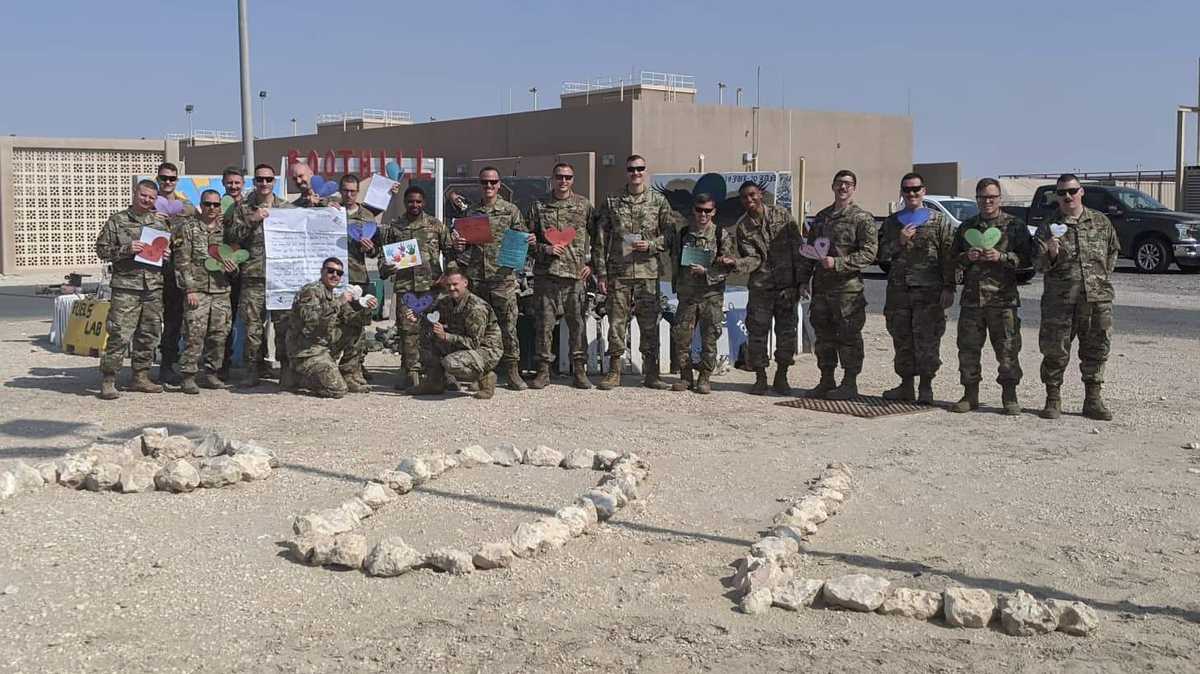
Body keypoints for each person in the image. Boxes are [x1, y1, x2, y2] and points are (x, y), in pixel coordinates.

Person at [1034, 173, 1120, 421]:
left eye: (1072, 191)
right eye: (1062, 193)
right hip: (1060, 301)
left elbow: (1113, 252)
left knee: (1096, 348)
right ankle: (1053, 399)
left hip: (1096, 298)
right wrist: (1050, 252)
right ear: (1057, 197)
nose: (1067, 196)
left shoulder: (1100, 222)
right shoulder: (1047, 226)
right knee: (1055, 349)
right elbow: (1037, 264)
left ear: (1081, 192)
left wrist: (1098, 279)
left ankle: (1093, 400)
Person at [593, 154, 677, 390]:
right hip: (619, 273)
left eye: (640, 169)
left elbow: (670, 235)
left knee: (649, 324)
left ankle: (651, 373)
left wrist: (651, 245)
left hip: (648, 274)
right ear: (626, 172)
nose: (636, 173)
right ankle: (614, 371)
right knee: (617, 323)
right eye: (631, 169)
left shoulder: (658, 201)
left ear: (645, 170)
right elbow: (600, 239)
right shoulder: (612, 201)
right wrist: (601, 273)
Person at [949, 178, 1032, 415]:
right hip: (972, 300)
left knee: (1007, 349)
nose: (987, 201)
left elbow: (1029, 260)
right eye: (983, 197)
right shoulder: (967, 227)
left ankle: (1009, 396)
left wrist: (1003, 257)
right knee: (968, 349)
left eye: (992, 197)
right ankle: (970, 394)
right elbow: (952, 259)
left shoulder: (1014, 226)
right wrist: (967, 257)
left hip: (1003, 300)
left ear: (999, 199)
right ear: (976, 199)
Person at [796, 170, 878, 400]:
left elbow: (870, 253)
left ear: (854, 188)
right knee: (823, 337)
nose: (843, 187)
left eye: (848, 184)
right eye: (839, 183)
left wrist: (839, 262)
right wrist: (804, 279)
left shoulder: (862, 218)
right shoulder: (822, 218)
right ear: (832, 186)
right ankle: (826, 380)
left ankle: (849, 383)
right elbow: (810, 252)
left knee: (849, 337)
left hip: (847, 291)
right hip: (822, 289)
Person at [450, 166, 533, 390]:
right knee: (478, 328)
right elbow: (461, 245)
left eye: (493, 182)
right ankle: (481, 374)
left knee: (508, 325)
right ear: (480, 184)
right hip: (477, 278)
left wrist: (529, 240)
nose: (489, 186)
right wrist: (458, 244)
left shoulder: (510, 210)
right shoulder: (471, 212)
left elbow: (522, 237)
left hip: (502, 278)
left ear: (499, 184)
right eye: (485, 182)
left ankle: (513, 371)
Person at [877, 173, 956, 404]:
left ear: (924, 191)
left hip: (929, 293)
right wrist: (899, 241)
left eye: (916, 189)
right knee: (901, 339)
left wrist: (949, 287)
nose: (911, 194)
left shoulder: (939, 221)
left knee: (928, 340)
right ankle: (906, 386)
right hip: (899, 294)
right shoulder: (893, 222)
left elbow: (949, 256)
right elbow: (880, 254)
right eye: (907, 189)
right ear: (901, 192)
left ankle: (926, 387)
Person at [94, 180, 172, 399]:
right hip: (126, 287)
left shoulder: (159, 224)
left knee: (149, 333)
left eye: (151, 197)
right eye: (143, 195)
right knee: (119, 333)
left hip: (153, 287)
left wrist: (166, 256)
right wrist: (127, 249)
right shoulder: (117, 220)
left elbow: (166, 254)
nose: (146, 200)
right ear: (135, 193)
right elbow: (101, 250)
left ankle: (141, 376)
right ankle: (109, 379)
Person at [224, 163, 294, 388]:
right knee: (253, 326)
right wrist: (252, 219)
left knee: (283, 325)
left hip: (281, 277)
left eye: (268, 179)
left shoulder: (286, 208)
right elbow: (231, 236)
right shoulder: (243, 207)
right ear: (254, 182)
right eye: (260, 179)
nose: (264, 183)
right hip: (253, 276)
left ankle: (285, 369)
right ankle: (252, 369)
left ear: (274, 182)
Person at [379, 185, 454, 392]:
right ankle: (411, 374)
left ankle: (443, 373)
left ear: (424, 203)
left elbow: (451, 253)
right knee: (408, 332)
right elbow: (382, 260)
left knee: (437, 330)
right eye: (411, 201)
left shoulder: (435, 225)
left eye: (418, 201)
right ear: (405, 203)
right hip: (407, 289)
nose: (415, 205)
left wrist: (448, 276)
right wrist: (387, 267)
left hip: (433, 288)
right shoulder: (394, 227)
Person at [528, 162, 595, 390]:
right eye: (559, 177)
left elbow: (600, 236)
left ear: (573, 179)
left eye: (567, 177)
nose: (563, 181)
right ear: (553, 178)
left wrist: (592, 264)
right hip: (546, 275)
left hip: (575, 276)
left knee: (577, 325)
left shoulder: (584, 205)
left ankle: (579, 370)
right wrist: (544, 250)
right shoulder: (538, 206)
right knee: (544, 325)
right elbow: (527, 240)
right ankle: (543, 371)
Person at [732, 180, 802, 395]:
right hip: (761, 288)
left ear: (761, 194)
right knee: (757, 334)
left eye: (752, 195)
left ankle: (782, 376)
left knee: (786, 333)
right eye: (744, 197)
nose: (749, 200)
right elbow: (753, 258)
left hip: (786, 287)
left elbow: (798, 249)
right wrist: (735, 264)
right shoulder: (743, 227)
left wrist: (800, 282)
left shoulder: (782, 215)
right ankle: (760, 377)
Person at [667, 193, 736, 394]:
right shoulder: (683, 234)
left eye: (707, 210)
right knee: (681, 337)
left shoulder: (720, 235)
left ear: (713, 212)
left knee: (709, 338)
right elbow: (675, 261)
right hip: (687, 296)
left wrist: (707, 273)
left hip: (710, 296)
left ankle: (704, 378)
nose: (703, 214)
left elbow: (728, 266)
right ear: (693, 210)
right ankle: (686, 377)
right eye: (699, 210)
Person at [171, 189, 236, 393]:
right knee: (194, 334)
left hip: (221, 290)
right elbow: (182, 262)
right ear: (201, 205)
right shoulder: (188, 228)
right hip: (197, 290)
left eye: (216, 205)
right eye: (208, 204)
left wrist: (234, 268)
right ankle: (188, 375)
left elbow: (236, 256)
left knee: (219, 334)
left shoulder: (227, 231)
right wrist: (189, 289)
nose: (212, 208)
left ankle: (211, 372)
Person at [285, 258, 377, 398]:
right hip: (306, 351)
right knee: (337, 390)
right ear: (322, 272)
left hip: (323, 345)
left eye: (339, 273)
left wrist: (367, 308)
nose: (335, 275)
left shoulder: (333, 295)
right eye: (330, 271)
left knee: (355, 329)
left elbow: (354, 319)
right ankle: (299, 377)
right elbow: (312, 323)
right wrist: (340, 302)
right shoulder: (310, 291)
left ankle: (349, 374)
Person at [407, 271, 503, 400]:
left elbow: (474, 343)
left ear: (465, 283)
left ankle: (486, 377)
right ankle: (434, 382)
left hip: (486, 349)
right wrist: (416, 317)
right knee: (426, 337)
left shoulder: (476, 308)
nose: (451, 288)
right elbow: (430, 318)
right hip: (461, 342)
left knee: (451, 363)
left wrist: (446, 336)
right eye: (448, 285)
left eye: (455, 284)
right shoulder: (446, 301)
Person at [154, 162, 195, 385]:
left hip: (176, 270)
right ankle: (139, 370)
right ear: (158, 178)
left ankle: (167, 366)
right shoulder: (149, 204)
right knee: (148, 321)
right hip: (150, 271)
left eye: (171, 178)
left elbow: (195, 214)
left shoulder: (183, 207)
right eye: (164, 178)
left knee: (173, 321)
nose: (167, 182)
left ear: (176, 181)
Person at [336, 173, 376, 391]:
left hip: (358, 276)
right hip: (334, 278)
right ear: (340, 190)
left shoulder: (367, 217)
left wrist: (370, 249)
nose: (349, 195)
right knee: (336, 323)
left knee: (357, 325)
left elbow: (375, 252)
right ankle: (338, 367)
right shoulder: (331, 211)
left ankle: (355, 367)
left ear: (358, 191)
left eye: (353, 191)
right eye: (345, 190)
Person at [219, 166, 245, 381]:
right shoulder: (214, 206)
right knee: (225, 320)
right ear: (223, 183)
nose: (233, 186)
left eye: (237, 182)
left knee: (254, 318)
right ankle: (222, 364)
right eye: (230, 182)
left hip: (250, 270)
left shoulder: (250, 205)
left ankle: (257, 364)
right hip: (223, 272)